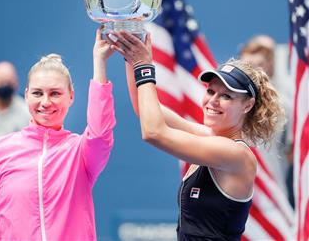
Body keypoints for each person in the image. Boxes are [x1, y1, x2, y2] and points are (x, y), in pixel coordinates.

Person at [110, 31, 285, 240]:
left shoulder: (235, 153)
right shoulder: (211, 139)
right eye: (211, 92)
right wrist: (132, 58)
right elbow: (145, 109)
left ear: (247, 105)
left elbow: (154, 132)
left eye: (226, 96)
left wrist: (144, 66)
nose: (213, 101)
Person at [0, 29, 116, 241]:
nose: (45, 102)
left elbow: (100, 134)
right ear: (26, 95)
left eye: (55, 93)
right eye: (37, 93)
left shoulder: (80, 152)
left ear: (71, 96)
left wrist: (99, 63)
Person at [240, 35, 294, 205]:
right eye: (248, 67)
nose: (253, 73)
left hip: (273, 196)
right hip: (237, 192)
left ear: (271, 66)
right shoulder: (229, 103)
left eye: (258, 66)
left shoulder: (285, 106)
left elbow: (293, 152)